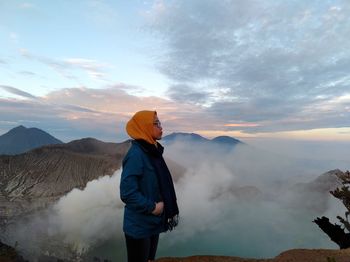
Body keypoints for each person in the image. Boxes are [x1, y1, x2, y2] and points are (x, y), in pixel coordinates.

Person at [120, 110, 179, 262]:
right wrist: (153, 207)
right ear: (145, 127)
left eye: (160, 123)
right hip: (139, 227)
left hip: (153, 223)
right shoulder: (136, 154)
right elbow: (127, 193)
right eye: (156, 123)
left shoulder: (152, 152)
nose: (161, 127)